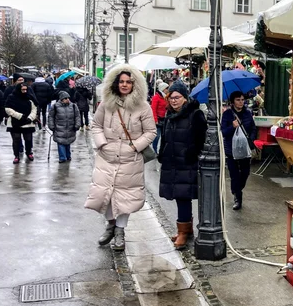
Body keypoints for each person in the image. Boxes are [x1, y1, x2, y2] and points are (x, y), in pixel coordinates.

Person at [84, 65, 156, 251]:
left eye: (128, 82)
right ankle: (110, 225)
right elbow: (96, 125)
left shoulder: (143, 106)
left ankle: (119, 232)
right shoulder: (106, 103)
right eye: (121, 81)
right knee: (105, 195)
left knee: (124, 197)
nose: (124, 85)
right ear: (115, 83)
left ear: (135, 84)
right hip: (106, 158)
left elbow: (150, 132)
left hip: (130, 159)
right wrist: (102, 144)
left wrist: (134, 147)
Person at [158, 81, 207, 249]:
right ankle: (186, 229)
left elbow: (201, 138)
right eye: (171, 97)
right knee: (179, 196)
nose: (174, 101)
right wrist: (162, 152)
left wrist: (191, 153)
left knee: (183, 196)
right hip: (172, 161)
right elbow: (164, 136)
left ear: (185, 98)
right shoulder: (169, 115)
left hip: (186, 163)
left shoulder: (195, 114)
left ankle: (183, 232)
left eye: (177, 97)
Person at [221, 90, 257, 210]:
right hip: (231, 149)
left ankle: (236, 188)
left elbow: (253, 128)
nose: (241, 102)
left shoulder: (247, 113)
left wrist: (250, 139)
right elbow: (224, 132)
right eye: (238, 100)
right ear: (232, 101)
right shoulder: (227, 115)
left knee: (245, 173)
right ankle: (238, 197)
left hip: (245, 148)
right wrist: (233, 126)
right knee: (234, 174)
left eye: (242, 100)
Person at [4, 83, 38, 163]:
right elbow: (8, 109)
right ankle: (16, 155)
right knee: (16, 140)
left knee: (28, 139)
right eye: (23, 89)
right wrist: (19, 116)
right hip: (15, 122)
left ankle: (29, 152)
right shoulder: (11, 97)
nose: (24, 91)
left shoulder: (30, 97)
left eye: (26, 89)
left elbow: (34, 109)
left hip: (27, 122)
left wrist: (30, 118)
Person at [48, 91, 81, 163]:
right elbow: (51, 116)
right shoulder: (55, 106)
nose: (67, 99)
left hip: (70, 128)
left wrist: (77, 125)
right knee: (61, 142)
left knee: (67, 142)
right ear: (61, 99)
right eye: (65, 98)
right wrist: (51, 126)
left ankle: (68, 155)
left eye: (68, 98)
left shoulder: (73, 106)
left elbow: (77, 116)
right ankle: (62, 157)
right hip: (59, 128)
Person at [150, 82, 169, 153]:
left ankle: (162, 150)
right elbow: (153, 109)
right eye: (166, 88)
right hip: (158, 120)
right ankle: (154, 150)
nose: (168, 89)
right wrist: (155, 120)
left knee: (163, 136)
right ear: (163, 89)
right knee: (157, 136)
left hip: (165, 119)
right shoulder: (156, 97)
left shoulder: (166, 97)